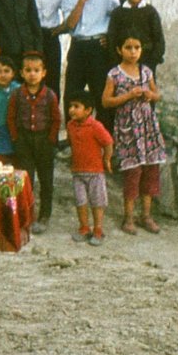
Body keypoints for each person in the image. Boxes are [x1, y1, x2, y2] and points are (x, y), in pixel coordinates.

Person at [102, 35, 164, 236]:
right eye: (128, 47)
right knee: (132, 172)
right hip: (128, 128)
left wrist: (150, 95)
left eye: (137, 47)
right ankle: (128, 217)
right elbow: (105, 101)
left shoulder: (146, 71)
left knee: (150, 171)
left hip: (148, 127)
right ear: (120, 49)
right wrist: (128, 96)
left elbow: (157, 94)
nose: (133, 51)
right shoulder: (114, 74)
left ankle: (146, 215)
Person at [57, 0, 120, 127]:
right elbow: (70, 24)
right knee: (71, 93)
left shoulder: (107, 0)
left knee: (100, 93)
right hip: (78, 46)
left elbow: (121, 20)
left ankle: (104, 138)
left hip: (98, 48)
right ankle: (73, 138)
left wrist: (112, 40)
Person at [7, 51, 58, 233]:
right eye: (28, 70)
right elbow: (11, 117)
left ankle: (45, 215)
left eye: (36, 70)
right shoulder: (16, 94)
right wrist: (16, 138)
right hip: (24, 140)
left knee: (46, 180)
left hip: (44, 140)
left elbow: (56, 119)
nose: (32, 74)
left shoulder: (50, 95)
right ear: (21, 73)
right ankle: (27, 214)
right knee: (26, 179)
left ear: (44, 72)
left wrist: (51, 140)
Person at [66, 92, 112, 246]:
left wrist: (106, 159)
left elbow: (108, 142)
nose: (72, 109)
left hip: (95, 172)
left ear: (88, 110)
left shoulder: (96, 126)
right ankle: (84, 228)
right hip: (77, 172)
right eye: (70, 106)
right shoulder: (70, 125)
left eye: (76, 107)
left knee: (97, 202)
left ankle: (98, 230)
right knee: (80, 201)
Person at [105, 0, 165, 79]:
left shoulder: (150, 12)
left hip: (146, 64)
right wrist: (116, 62)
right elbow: (112, 39)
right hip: (122, 65)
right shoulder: (118, 13)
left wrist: (152, 62)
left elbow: (158, 39)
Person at [25, 0, 64, 99]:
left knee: (53, 75)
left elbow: (67, 11)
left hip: (51, 37)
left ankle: (53, 112)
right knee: (33, 76)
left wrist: (61, 28)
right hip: (33, 37)